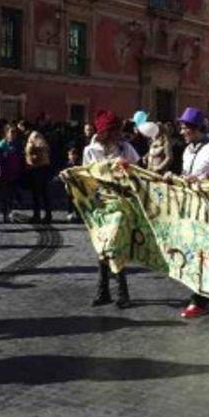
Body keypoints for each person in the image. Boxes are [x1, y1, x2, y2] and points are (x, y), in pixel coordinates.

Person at [172, 107, 209, 319]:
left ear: (196, 128)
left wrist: (206, 183)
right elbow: (186, 175)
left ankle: (199, 299)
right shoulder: (187, 150)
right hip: (192, 209)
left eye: (185, 127)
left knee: (205, 255)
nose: (182, 131)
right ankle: (207, 294)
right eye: (181, 127)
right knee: (195, 254)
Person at [83, 110, 141, 308]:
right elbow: (86, 177)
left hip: (121, 203)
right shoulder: (91, 151)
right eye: (115, 131)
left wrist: (128, 172)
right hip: (100, 204)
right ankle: (104, 291)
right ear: (106, 132)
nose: (119, 134)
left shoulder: (125, 148)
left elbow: (138, 170)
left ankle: (122, 292)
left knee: (115, 244)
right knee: (102, 247)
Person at [0, 125, 24, 223]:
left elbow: (21, 158)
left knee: (11, 194)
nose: (13, 134)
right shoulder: (1, 144)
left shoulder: (18, 144)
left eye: (14, 132)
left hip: (14, 173)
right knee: (4, 194)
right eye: (11, 132)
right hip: (4, 173)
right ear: (6, 133)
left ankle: (10, 212)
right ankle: (5, 214)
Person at [25, 130, 52, 224]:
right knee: (43, 194)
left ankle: (38, 216)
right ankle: (46, 215)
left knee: (38, 194)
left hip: (38, 169)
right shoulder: (38, 136)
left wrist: (33, 158)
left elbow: (40, 147)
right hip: (42, 168)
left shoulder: (34, 135)